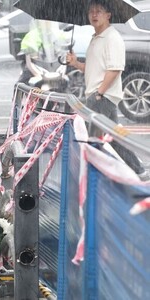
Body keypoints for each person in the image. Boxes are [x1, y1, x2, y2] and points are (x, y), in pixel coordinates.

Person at [67, 0, 148, 179]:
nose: (94, 15)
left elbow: (115, 69)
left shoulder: (112, 37)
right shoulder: (96, 37)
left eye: (99, 11)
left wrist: (99, 93)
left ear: (108, 15)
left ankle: (91, 176)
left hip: (102, 96)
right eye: (91, 12)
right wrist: (75, 63)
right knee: (114, 138)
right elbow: (93, 67)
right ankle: (139, 172)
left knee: (88, 136)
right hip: (99, 94)